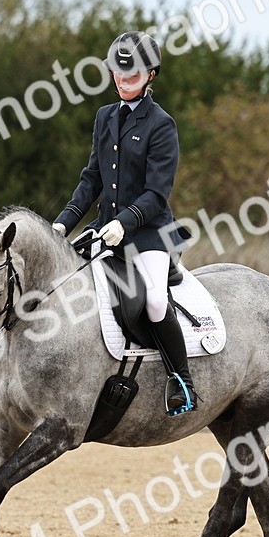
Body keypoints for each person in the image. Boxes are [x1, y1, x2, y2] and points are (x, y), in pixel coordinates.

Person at [52, 31, 199, 415]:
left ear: (151, 75)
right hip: (107, 234)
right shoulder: (104, 117)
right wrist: (63, 224)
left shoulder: (162, 125)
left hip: (148, 236)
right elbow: (92, 179)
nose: (122, 81)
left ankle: (182, 382)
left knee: (152, 299)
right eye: (117, 73)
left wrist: (124, 221)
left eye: (131, 75)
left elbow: (156, 193)